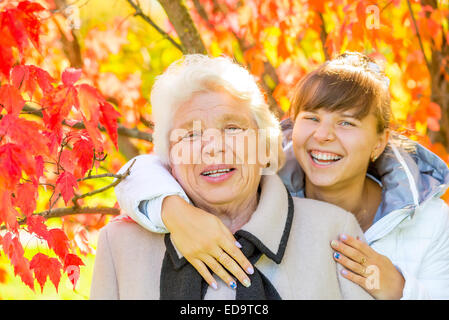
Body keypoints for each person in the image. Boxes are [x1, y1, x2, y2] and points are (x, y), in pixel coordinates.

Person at [113, 52, 449, 300]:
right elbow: (138, 171)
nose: (324, 136)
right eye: (312, 118)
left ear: (379, 141)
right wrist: (176, 212)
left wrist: (402, 292)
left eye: (346, 122)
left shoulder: (429, 221)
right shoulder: (263, 175)